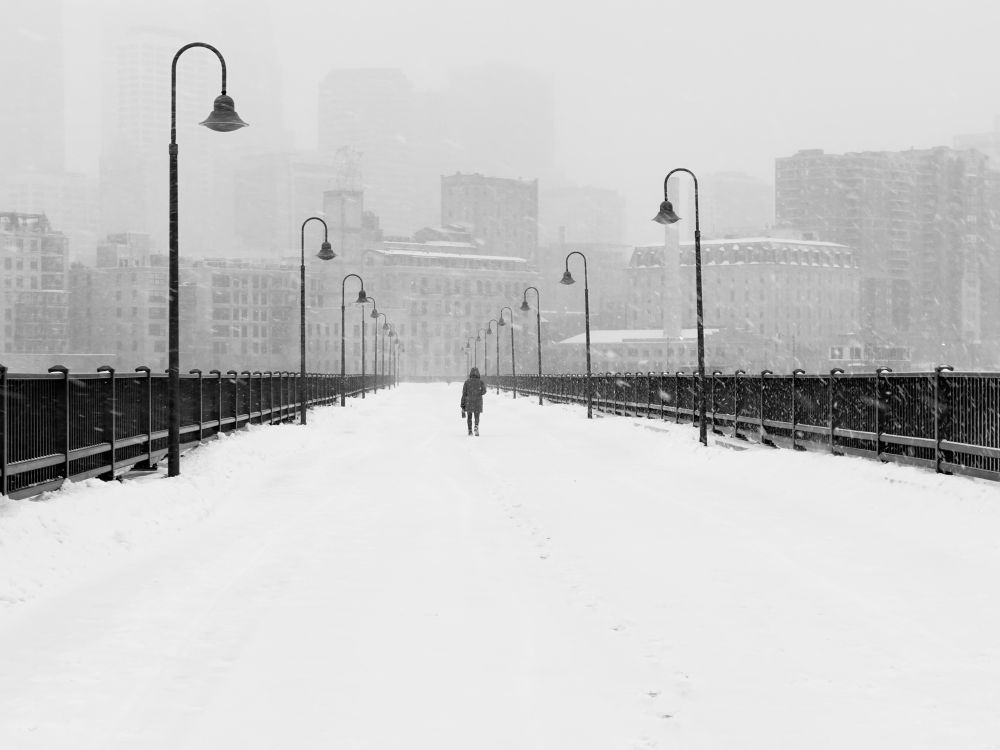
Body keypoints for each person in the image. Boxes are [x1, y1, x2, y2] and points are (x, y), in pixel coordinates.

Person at [460, 366, 487, 436]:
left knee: (469, 417)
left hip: (469, 401)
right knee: (477, 415)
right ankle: (476, 426)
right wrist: (479, 393)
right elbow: (484, 391)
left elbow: (464, 393)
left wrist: (462, 404)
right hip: (477, 401)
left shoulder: (467, 382)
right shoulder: (480, 382)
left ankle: (469, 430)